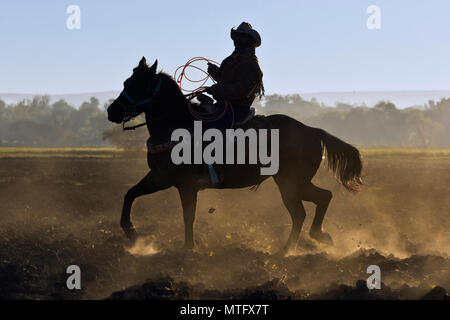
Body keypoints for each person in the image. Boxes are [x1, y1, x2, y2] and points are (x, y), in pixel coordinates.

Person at [199, 22, 264, 125]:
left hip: (237, 110)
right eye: (237, 37)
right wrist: (215, 71)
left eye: (241, 37)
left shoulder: (251, 65)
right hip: (224, 106)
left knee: (211, 128)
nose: (237, 40)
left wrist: (217, 89)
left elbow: (240, 90)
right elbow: (225, 79)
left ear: (248, 41)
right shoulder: (233, 60)